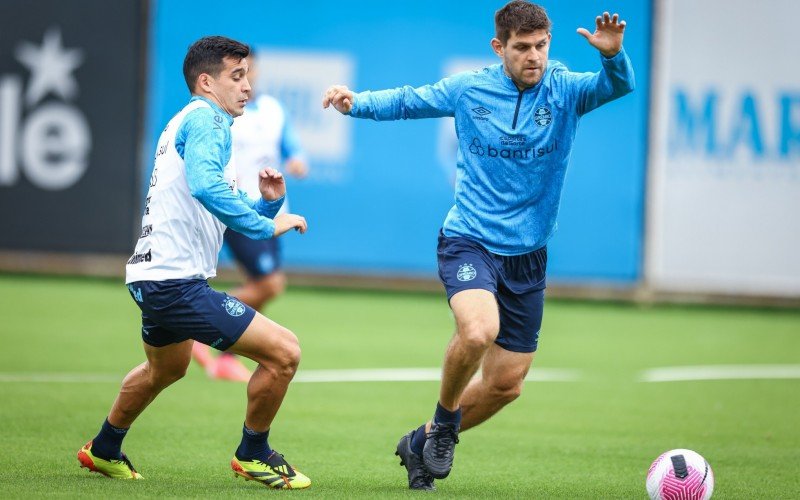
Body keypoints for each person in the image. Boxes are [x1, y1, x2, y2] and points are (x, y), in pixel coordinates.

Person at [323, 1, 634, 491]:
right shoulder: (470, 88)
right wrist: (355, 102)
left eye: (541, 46)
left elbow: (614, 86)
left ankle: (420, 441)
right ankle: (445, 424)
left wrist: (613, 56)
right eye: (522, 47)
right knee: (477, 332)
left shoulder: (565, 89)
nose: (533, 56)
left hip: (528, 254)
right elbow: (410, 100)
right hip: (469, 239)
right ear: (499, 47)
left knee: (506, 385)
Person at [76, 36, 311, 489]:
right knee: (285, 353)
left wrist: (263, 205)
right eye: (237, 77)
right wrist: (269, 226)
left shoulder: (190, 121)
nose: (247, 87)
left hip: (152, 277)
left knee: (166, 369)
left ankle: (104, 449)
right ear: (207, 82)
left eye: (248, 76)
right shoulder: (208, 120)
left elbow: (208, 197)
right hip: (174, 283)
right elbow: (206, 187)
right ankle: (254, 454)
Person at [192, 51, 309, 383]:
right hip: (239, 212)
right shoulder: (223, 115)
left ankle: (225, 354)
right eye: (238, 72)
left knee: (264, 287)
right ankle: (196, 325)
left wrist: (298, 159)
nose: (246, 77)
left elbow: (292, 146)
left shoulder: (272, 110)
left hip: (273, 213)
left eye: (250, 70)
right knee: (270, 285)